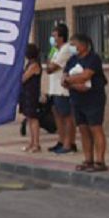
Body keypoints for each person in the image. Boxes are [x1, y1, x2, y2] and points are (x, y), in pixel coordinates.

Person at [63, 33, 107, 172]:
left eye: (74, 44)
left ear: (83, 45)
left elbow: (86, 76)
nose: (72, 47)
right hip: (77, 99)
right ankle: (88, 160)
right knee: (83, 129)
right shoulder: (72, 60)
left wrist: (70, 80)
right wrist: (73, 83)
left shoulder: (93, 58)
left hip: (93, 99)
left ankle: (100, 161)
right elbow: (64, 78)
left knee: (95, 128)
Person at [46, 23, 77, 154]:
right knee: (57, 115)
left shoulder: (66, 49)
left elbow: (53, 68)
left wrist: (50, 65)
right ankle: (61, 140)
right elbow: (48, 65)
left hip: (62, 90)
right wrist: (51, 57)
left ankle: (69, 144)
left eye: (54, 36)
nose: (52, 38)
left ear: (61, 37)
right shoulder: (56, 50)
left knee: (67, 116)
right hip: (54, 89)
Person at [19, 43, 43, 152]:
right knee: (29, 118)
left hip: (32, 94)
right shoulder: (29, 64)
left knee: (33, 119)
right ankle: (31, 142)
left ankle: (36, 144)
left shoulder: (34, 65)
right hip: (26, 94)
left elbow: (23, 78)